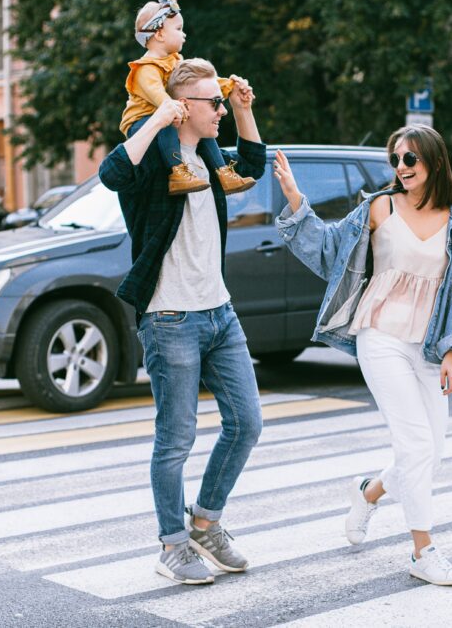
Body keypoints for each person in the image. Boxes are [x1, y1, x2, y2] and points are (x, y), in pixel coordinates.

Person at [274, 125, 452, 586]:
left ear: (434, 162)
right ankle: (422, 552)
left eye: (411, 160)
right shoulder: (379, 207)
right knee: (416, 446)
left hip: (426, 344)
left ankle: (370, 491)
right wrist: (294, 200)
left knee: (433, 450)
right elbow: (328, 251)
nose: (401, 168)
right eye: (396, 160)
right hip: (380, 335)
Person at [98, 57, 266, 585]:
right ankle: (172, 544)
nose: (218, 108)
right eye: (212, 102)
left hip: (219, 311)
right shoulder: (156, 161)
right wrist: (156, 118)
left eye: (220, 100)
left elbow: (254, 165)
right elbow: (111, 174)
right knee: (176, 439)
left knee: (247, 423)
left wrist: (242, 112)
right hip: (170, 316)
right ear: (182, 106)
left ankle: (206, 524)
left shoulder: (211, 160)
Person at [120, 0, 255, 196]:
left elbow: (198, 84)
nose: (184, 34)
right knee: (168, 124)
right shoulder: (145, 68)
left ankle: (224, 173)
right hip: (142, 122)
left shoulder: (175, 61)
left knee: (202, 128)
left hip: (168, 113)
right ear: (159, 34)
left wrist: (229, 86)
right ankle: (177, 172)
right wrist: (170, 108)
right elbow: (157, 94)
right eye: (178, 29)